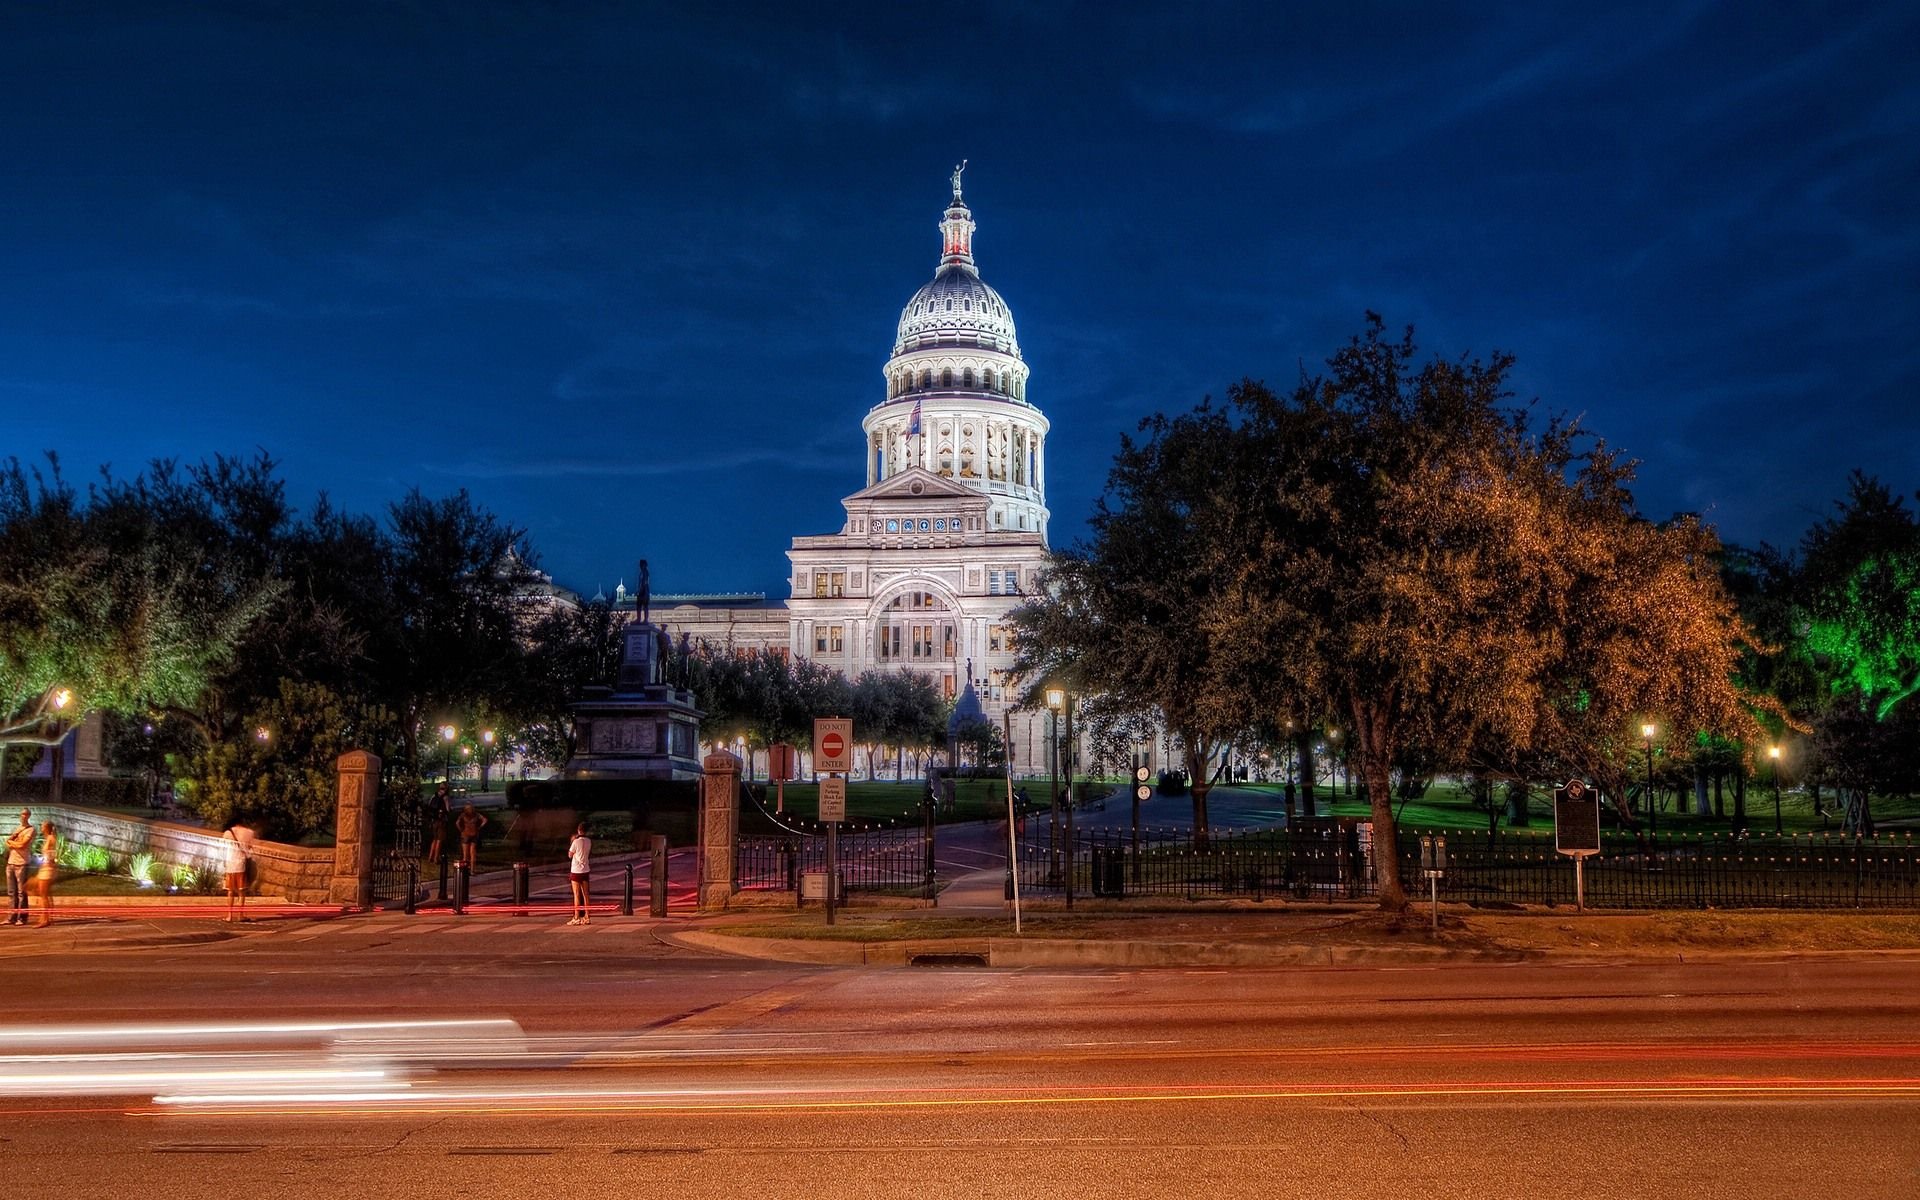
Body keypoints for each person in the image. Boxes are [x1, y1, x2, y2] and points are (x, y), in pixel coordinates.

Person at [6, 809, 33, 926]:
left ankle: (22, 917)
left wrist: (13, 844)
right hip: (11, 862)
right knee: (12, 892)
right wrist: (14, 844)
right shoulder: (17, 829)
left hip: (21, 863)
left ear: (29, 816)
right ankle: (11, 917)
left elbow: (23, 844)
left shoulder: (30, 830)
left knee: (22, 892)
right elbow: (7, 842)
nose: (23, 816)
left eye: (25, 814)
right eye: (22, 814)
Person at [30, 820, 57, 927]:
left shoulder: (51, 839)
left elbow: (52, 855)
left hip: (47, 870)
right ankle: (46, 917)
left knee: (43, 895)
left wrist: (48, 862)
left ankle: (44, 919)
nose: (41, 827)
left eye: (42, 825)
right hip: (44, 869)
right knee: (42, 893)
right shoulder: (48, 839)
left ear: (46, 828)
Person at [567, 822, 592, 926]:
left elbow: (569, 855)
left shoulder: (575, 842)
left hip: (576, 871)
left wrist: (573, 841)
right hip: (585, 870)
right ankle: (587, 916)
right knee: (586, 895)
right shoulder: (588, 841)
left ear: (578, 830)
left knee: (576, 895)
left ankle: (576, 917)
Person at [223, 827, 249, 922]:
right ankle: (240, 915)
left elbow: (223, 849)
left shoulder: (227, 833)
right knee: (241, 893)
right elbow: (248, 853)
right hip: (240, 866)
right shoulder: (245, 833)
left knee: (230, 892)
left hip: (230, 866)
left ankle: (229, 916)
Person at [455, 802, 488, 871]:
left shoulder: (463, 815)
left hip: (465, 834)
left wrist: (461, 829)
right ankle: (472, 870)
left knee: (465, 854)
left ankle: (465, 870)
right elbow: (485, 820)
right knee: (472, 853)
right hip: (474, 833)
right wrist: (479, 827)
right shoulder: (476, 815)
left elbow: (457, 823)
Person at [424, 782, 451, 863]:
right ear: (446, 788)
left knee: (434, 839)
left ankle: (430, 857)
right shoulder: (445, 797)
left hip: (434, 820)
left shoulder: (434, 795)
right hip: (441, 820)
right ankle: (436, 858)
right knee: (440, 839)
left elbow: (429, 806)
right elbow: (448, 809)